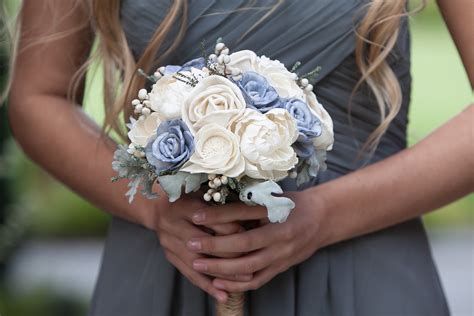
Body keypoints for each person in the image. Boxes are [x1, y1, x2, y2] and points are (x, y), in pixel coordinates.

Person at [5, 0, 473, 315]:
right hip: (172, 262)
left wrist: (323, 217)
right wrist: (151, 208)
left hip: (362, 262)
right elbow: (38, 97)